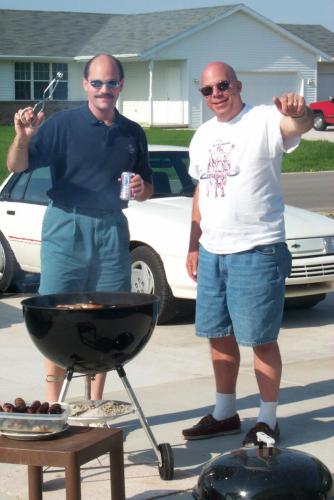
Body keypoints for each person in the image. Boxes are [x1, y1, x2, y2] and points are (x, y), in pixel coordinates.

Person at [7, 53, 153, 402]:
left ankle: (94, 404)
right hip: (65, 223)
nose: (105, 89)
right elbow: (17, 163)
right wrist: (23, 137)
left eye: (112, 82)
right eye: (98, 83)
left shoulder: (132, 132)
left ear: (121, 85)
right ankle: (55, 404)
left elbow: (147, 186)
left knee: (107, 312)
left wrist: (141, 190)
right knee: (55, 311)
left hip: (111, 228)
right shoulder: (62, 125)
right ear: (86, 85)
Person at [182, 61, 314, 446]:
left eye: (222, 85)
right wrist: (194, 243)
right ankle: (224, 413)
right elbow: (201, 191)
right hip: (212, 251)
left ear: (237, 84)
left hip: (257, 250)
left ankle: (268, 421)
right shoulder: (203, 135)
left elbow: (297, 127)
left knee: (260, 338)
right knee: (217, 336)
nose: (216, 94)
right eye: (207, 90)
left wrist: (300, 113)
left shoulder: (265, 120)